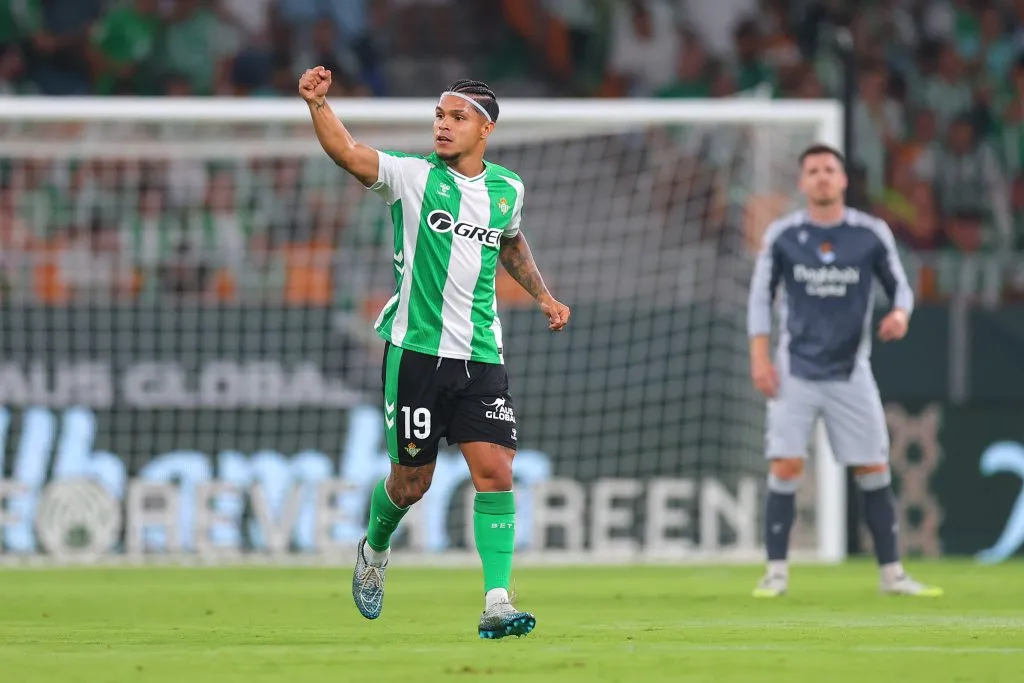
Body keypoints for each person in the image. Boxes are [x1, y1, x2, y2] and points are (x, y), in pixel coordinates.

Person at [298, 67, 571, 638]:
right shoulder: (412, 177)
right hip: (417, 354)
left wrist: (543, 296)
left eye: (457, 118)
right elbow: (348, 153)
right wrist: (318, 104)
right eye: (439, 117)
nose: (443, 127)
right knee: (410, 485)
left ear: (485, 130)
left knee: (495, 472)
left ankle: (497, 600)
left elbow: (511, 241)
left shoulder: (508, 189)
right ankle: (374, 546)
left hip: (481, 354)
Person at [746, 143, 942, 599]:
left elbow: (901, 289)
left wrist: (901, 315)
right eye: (812, 170)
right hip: (795, 370)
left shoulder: (870, 233)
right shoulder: (783, 235)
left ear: (843, 179)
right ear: (802, 181)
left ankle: (892, 575)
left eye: (828, 169)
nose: (821, 177)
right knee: (786, 464)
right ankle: (775, 573)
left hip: (851, 371)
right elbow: (760, 298)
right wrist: (759, 357)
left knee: (873, 467)